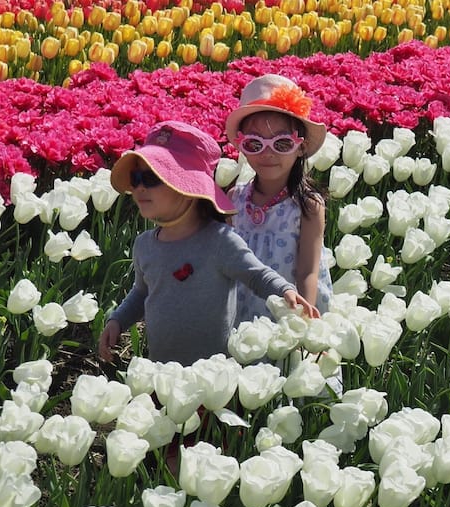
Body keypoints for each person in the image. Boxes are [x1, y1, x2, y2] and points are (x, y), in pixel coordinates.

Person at [98, 120, 320, 366]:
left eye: (151, 178)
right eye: (135, 178)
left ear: (187, 188)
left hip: (213, 376)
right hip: (161, 372)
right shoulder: (145, 245)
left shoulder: (219, 241)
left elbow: (257, 275)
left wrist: (285, 291)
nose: (139, 187)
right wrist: (117, 320)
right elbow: (141, 292)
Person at [223, 74, 334, 322]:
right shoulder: (235, 198)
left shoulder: (307, 205)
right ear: (242, 146)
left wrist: (304, 320)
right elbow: (228, 260)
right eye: (254, 144)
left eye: (282, 143)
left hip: (291, 307)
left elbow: (308, 272)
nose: (268, 153)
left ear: (301, 147)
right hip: (244, 304)